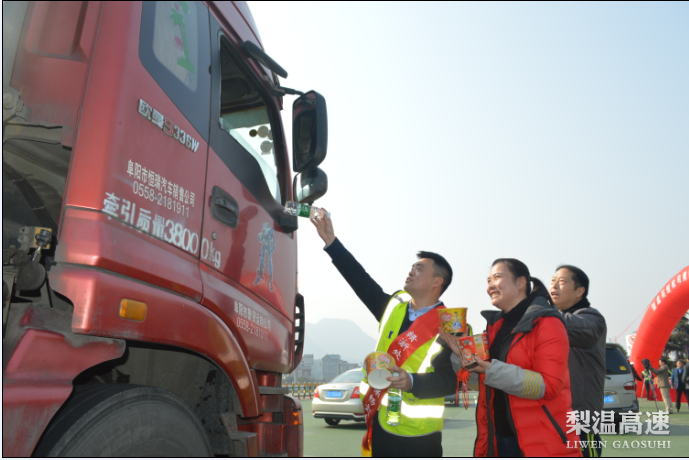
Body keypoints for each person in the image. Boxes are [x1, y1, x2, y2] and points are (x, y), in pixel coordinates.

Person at [311, 213, 456, 457]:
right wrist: (332, 243)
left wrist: (412, 382)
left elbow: (450, 381)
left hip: (420, 436)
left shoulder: (449, 325)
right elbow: (362, 282)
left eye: (419, 269)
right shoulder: (393, 308)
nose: (411, 271)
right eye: (412, 267)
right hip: (381, 425)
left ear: (437, 282)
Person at [440, 258, 581, 457]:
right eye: (488, 280)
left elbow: (548, 386)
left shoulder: (547, 322)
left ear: (520, 282)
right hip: (498, 438)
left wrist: (490, 369)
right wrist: (460, 353)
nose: (490, 285)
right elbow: (480, 383)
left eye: (497, 277)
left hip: (540, 441)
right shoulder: (494, 328)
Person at [549, 265, 607, 458]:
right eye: (552, 281)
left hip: (581, 419)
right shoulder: (548, 320)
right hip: (554, 416)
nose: (554, 285)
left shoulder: (592, 318)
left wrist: (541, 311)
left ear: (579, 291)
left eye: (562, 282)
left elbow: (571, 327)